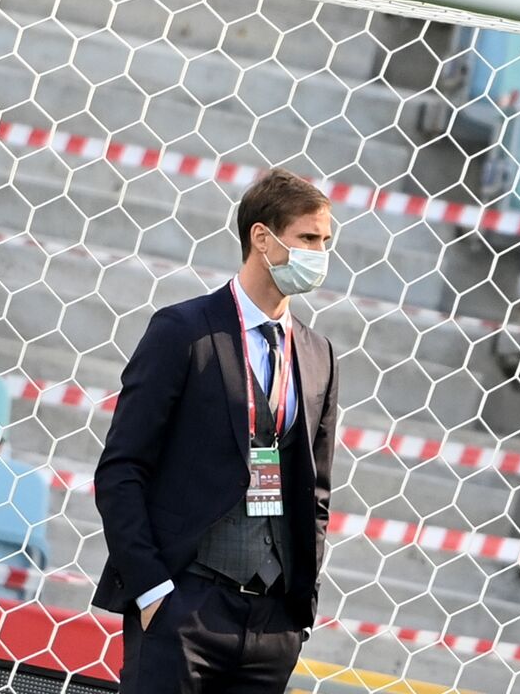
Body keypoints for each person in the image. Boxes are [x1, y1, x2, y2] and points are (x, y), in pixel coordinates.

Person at [91, 168, 339, 691]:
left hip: (273, 625)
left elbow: (315, 491)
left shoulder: (318, 355)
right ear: (262, 238)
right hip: (183, 607)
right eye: (309, 238)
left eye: (327, 240)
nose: (321, 253)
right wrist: (152, 591)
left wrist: (300, 610)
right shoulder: (183, 331)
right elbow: (121, 469)